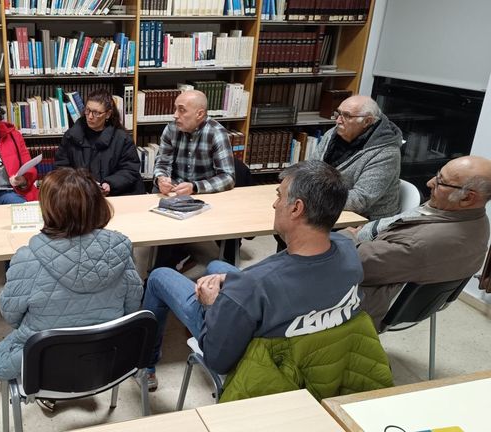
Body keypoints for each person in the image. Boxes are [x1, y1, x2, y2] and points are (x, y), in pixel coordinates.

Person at [141, 160, 363, 391]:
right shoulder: (348, 249)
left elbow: (219, 360)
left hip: (254, 354)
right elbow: (274, 275)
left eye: (279, 196)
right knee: (217, 266)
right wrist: (231, 281)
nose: (275, 205)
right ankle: (221, 280)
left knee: (159, 277)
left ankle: (145, 365)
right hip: (308, 341)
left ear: (296, 208)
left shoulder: (253, 286)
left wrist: (209, 305)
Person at [0, 167, 143, 409]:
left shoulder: (27, 258)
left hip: (45, 367)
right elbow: (132, 306)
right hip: (107, 361)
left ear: (48, 210)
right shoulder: (119, 252)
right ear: (97, 206)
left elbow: (11, 316)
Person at [343, 155, 491, 330]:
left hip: (360, 307)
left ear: (467, 198)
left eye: (441, 182)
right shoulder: (479, 222)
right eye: (436, 175)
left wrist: (347, 236)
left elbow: (351, 265)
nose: (429, 183)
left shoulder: (421, 242)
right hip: (409, 300)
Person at [152, 89, 238, 269]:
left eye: (181, 110)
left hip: (205, 195)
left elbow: (228, 177)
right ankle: (162, 267)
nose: (175, 115)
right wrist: (161, 179)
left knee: (230, 217)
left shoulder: (216, 133)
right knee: (162, 232)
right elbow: (162, 163)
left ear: (200, 114)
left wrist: (195, 187)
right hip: (175, 193)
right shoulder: (171, 129)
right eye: (175, 109)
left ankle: (225, 265)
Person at [307, 94, 402, 220]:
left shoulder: (386, 153)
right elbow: (310, 168)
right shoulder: (332, 134)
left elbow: (360, 200)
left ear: (367, 121)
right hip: (329, 208)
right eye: (338, 113)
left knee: (300, 229)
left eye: (346, 116)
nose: (338, 120)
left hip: (366, 220)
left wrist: (313, 196)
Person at [55, 89, 144, 196]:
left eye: (96, 113)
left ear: (108, 114)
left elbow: (129, 169)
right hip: (79, 196)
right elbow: (61, 167)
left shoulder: (122, 139)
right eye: (87, 110)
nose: (90, 116)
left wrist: (110, 183)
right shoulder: (71, 136)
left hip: (114, 195)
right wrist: (77, 184)